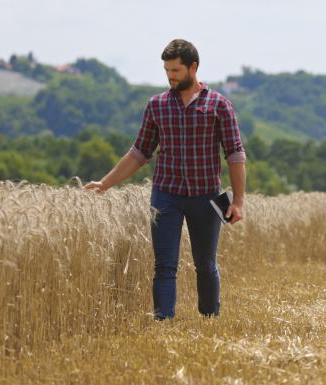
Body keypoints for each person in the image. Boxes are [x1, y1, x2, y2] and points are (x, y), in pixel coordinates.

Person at [85, 38, 246, 319]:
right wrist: (105, 183)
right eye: (167, 71)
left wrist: (239, 202)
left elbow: (235, 155)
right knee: (164, 264)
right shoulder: (156, 105)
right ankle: (164, 321)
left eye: (176, 71)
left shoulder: (220, 105)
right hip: (166, 194)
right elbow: (139, 153)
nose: (170, 76)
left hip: (207, 196)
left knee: (205, 264)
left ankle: (210, 319)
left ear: (193, 67)